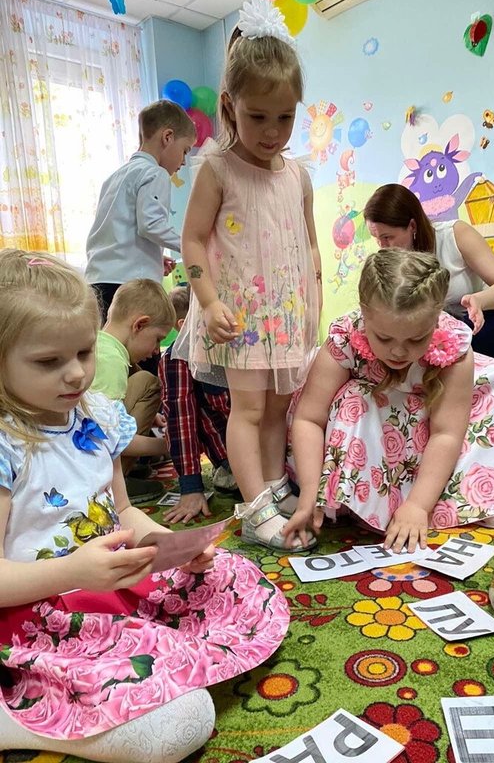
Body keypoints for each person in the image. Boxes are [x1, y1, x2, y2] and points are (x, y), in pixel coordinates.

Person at [0, 249, 289, 763]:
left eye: (85, 352)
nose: (76, 374)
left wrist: (172, 547)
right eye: (49, 362)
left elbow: (123, 511)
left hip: (106, 587)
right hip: (34, 618)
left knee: (232, 577)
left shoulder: (95, 417)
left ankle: (117, 678)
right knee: (183, 720)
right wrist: (73, 571)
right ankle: (19, 713)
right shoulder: (7, 443)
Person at [284, 249, 494, 553]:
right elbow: (310, 418)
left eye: (416, 339)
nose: (399, 352)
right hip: (382, 413)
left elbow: (446, 433)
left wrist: (418, 506)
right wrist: (309, 493)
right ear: (364, 313)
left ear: (436, 319)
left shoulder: (453, 346)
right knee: (354, 400)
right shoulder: (345, 337)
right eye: (384, 338)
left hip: (441, 409)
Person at [175, 0, 321, 552]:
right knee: (250, 408)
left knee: (280, 407)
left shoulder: (298, 175)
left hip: (285, 315)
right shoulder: (217, 168)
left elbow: (309, 244)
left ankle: (275, 486)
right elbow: (192, 239)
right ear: (230, 106)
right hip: (238, 315)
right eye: (258, 116)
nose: (272, 131)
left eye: (285, 117)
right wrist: (209, 301)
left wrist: (311, 303)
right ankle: (256, 508)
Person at [364, 183, 494, 363]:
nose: (382, 247)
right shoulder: (391, 260)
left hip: (481, 330)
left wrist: (479, 300)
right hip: (431, 339)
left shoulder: (455, 234)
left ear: (412, 226)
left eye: (387, 237)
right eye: (376, 239)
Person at [85, 99, 196, 322]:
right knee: (140, 342)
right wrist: (190, 244)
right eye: (184, 151)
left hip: (98, 280)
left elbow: (118, 230)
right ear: (167, 137)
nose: (184, 161)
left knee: (108, 342)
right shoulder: (155, 173)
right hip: (130, 286)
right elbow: (151, 225)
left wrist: (153, 256)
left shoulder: (115, 176)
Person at [159, 284, 237, 525]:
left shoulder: (247, 345)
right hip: (231, 454)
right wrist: (191, 486)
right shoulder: (178, 358)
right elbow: (180, 420)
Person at [90, 279, 174, 498]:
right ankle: (117, 482)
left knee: (143, 380)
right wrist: (169, 445)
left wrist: (151, 416)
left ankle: (125, 471)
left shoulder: (102, 345)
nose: (156, 350)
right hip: (93, 465)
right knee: (148, 382)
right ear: (139, 325)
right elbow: (110, 437)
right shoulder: (111, 362)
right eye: (157, 339)